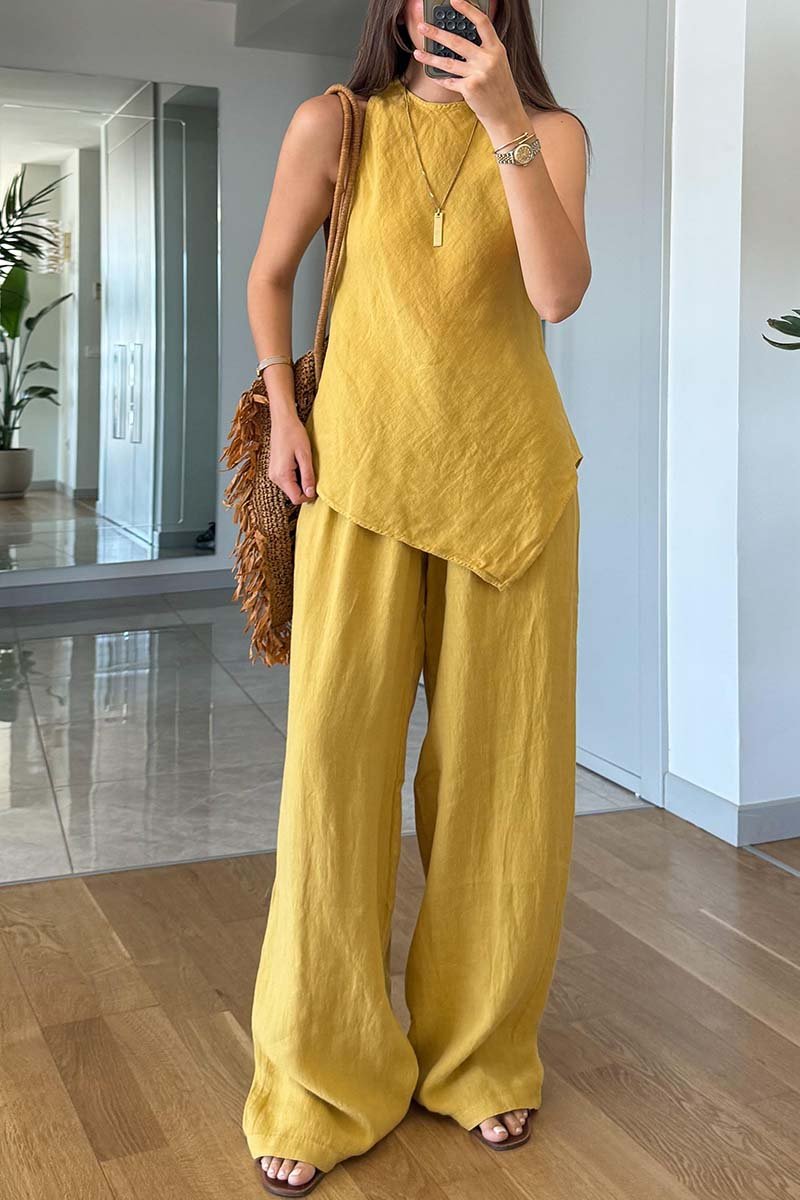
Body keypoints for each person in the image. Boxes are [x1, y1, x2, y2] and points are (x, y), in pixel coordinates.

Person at [242, 0, 591, 1193]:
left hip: (512, 490)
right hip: (357, 481)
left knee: (503, 789)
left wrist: (503, 121)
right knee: (331, 785)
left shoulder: (551, 132)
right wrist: (283, 414)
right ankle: (317, 1079)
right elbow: (270, 276)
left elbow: (556, 295)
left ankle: (481, 1058)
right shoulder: (333, 124)